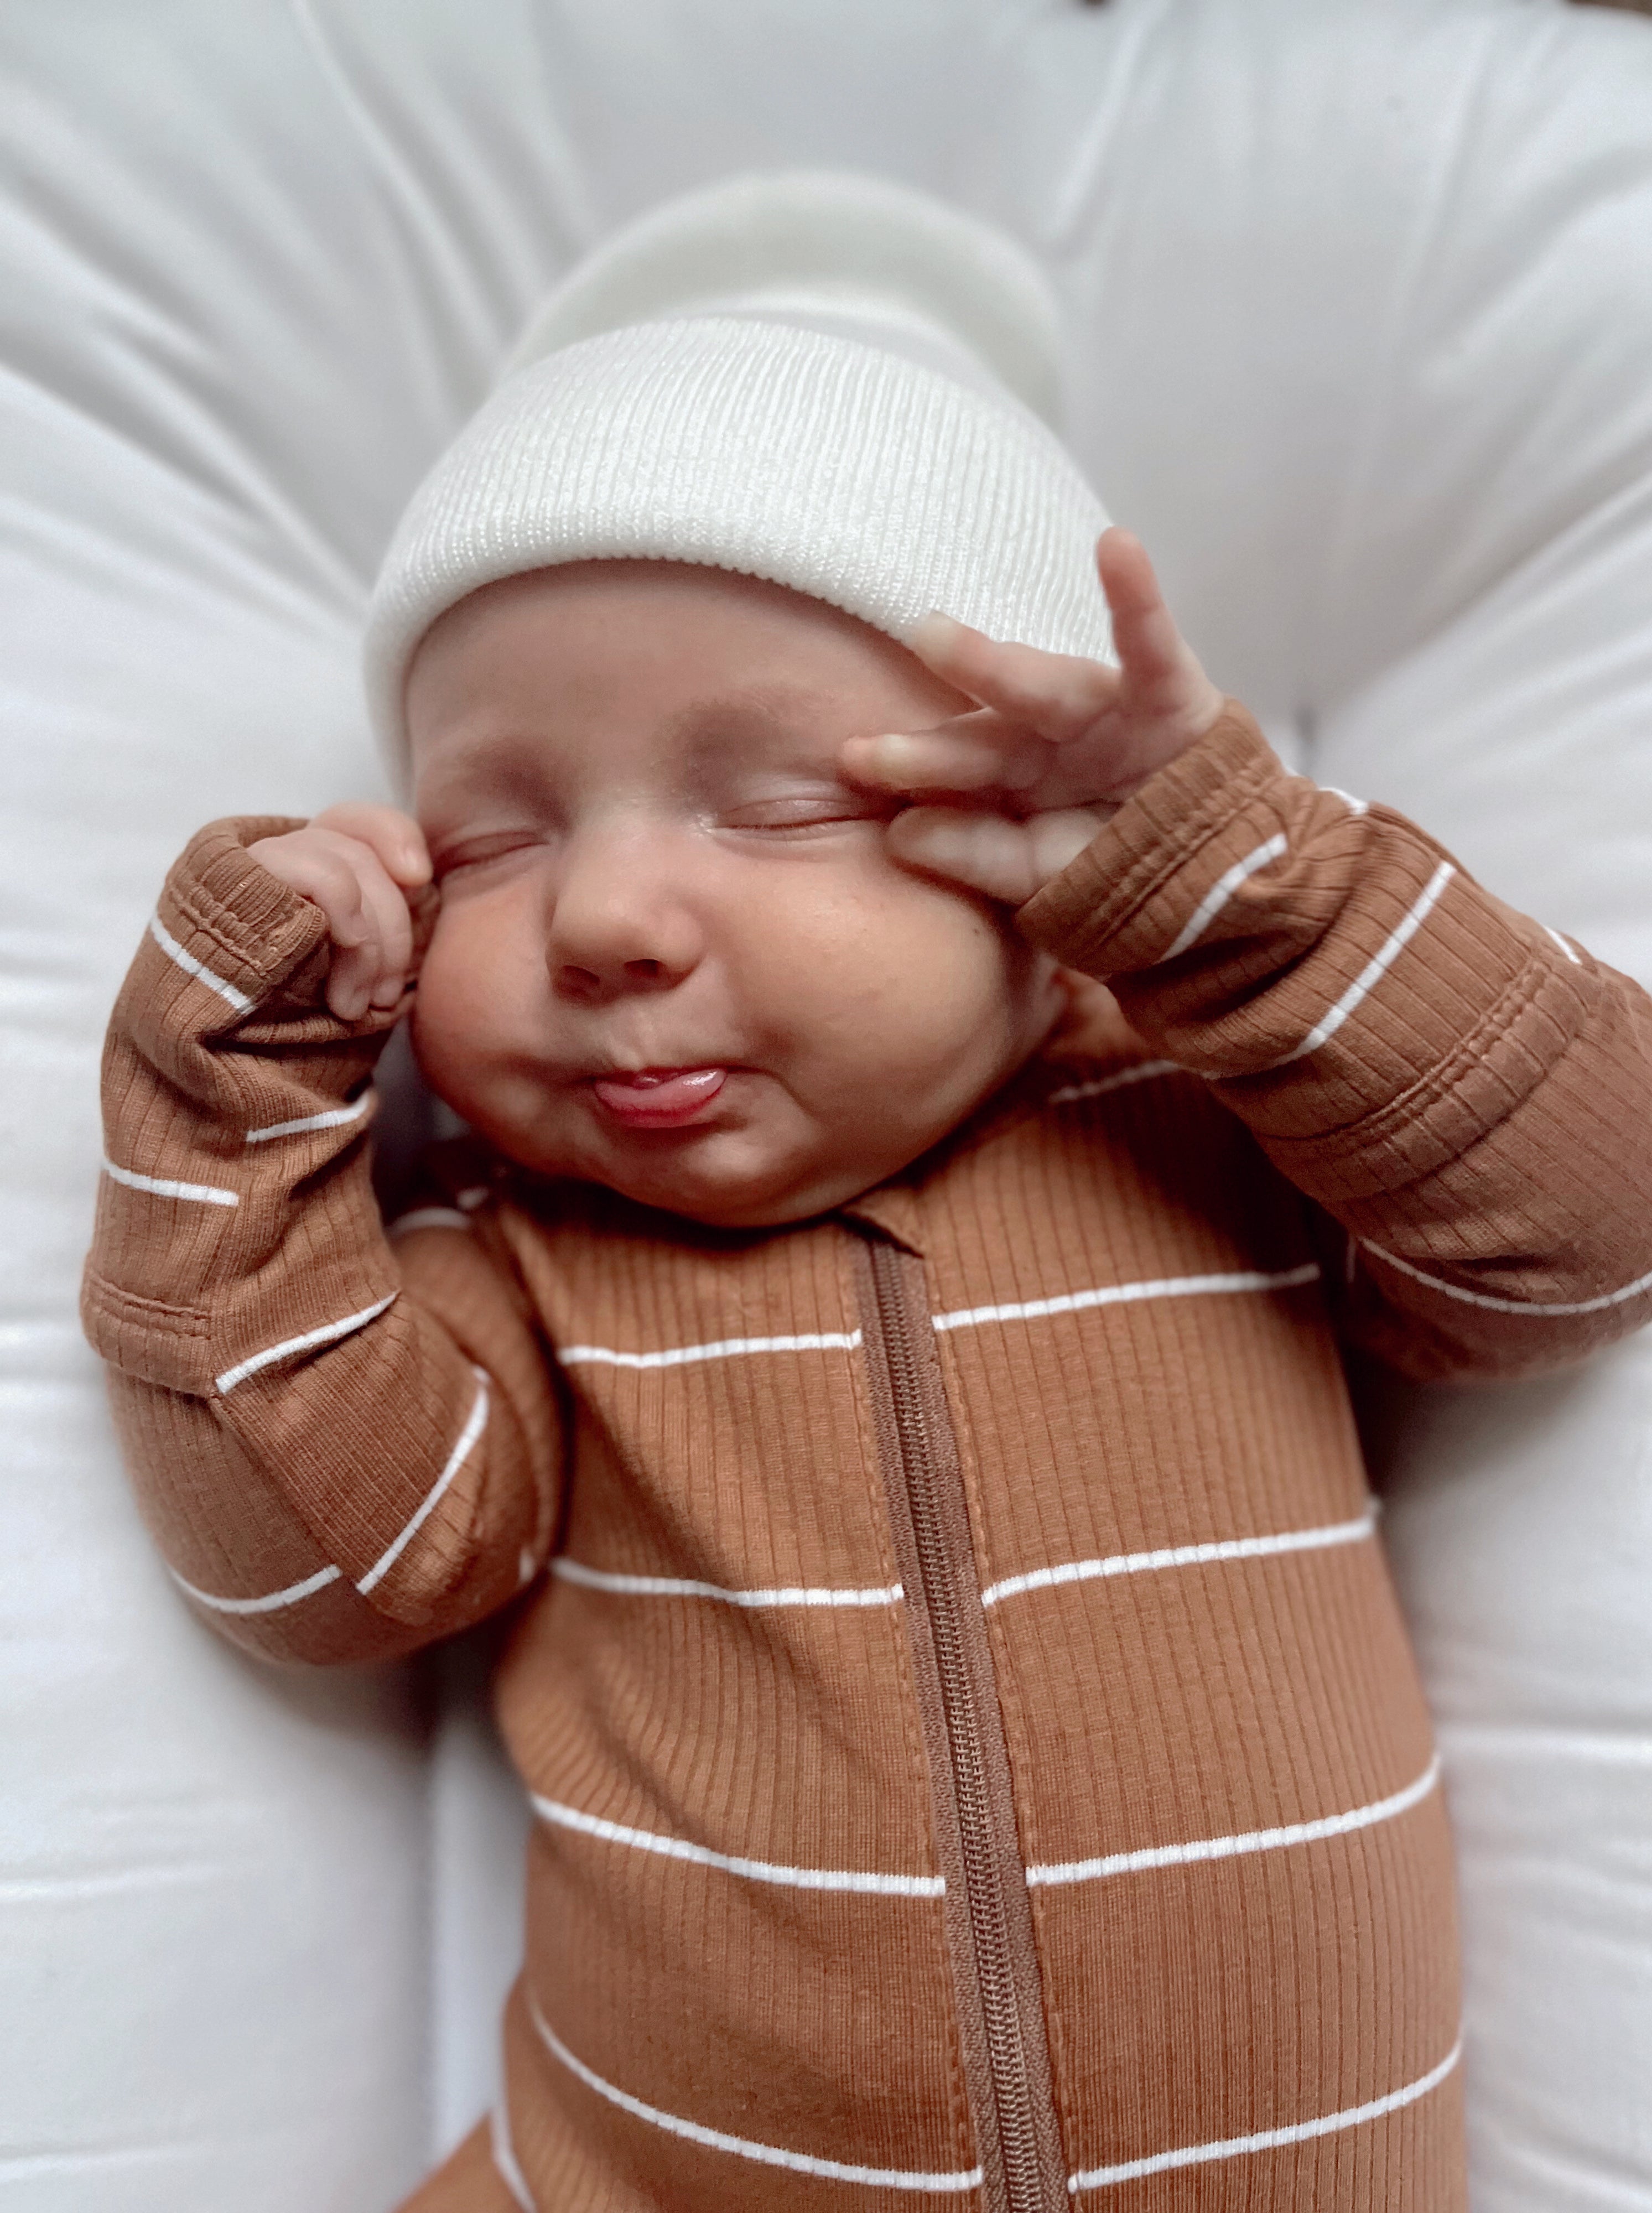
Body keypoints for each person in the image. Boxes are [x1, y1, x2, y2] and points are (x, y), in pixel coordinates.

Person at [81, 174, 1652, 2212]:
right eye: (488, 836)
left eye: (783, 802)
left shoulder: (1214, 1112)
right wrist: (227, 1095)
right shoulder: (523, 1252)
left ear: (1050, 848)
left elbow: (1587, 1231)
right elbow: (323, 1579)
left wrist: (1230, 887)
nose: (612, 913)